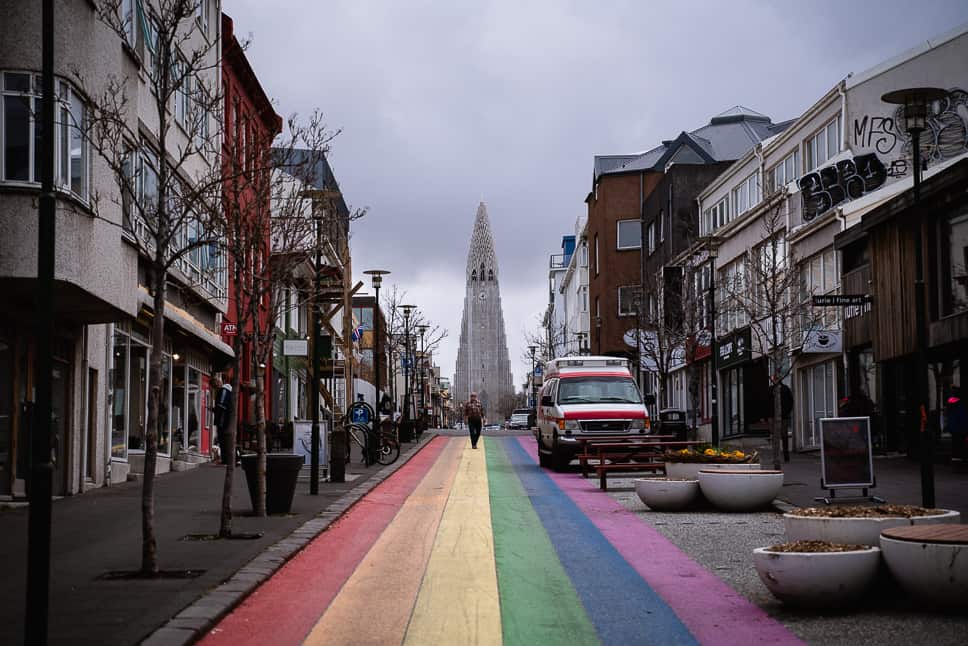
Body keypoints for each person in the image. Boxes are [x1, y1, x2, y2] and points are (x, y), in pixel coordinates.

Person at [212, 374, 234, 465]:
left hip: (223, 420)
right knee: (224, 440)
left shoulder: (224, 391)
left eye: (215, 384)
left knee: (223, 439)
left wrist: (214, 409)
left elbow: (221, 405)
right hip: (225, 419)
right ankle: (226, 460)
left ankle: (226, 460)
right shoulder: (226, 391)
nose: (215, 387)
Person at [946, 385, 966, 461]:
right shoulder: (960, 403)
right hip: (959, 426)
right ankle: (959, 456)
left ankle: (955, 456)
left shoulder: (951, 401)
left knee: (955, 442)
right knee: (960, 442)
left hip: (954, 426)